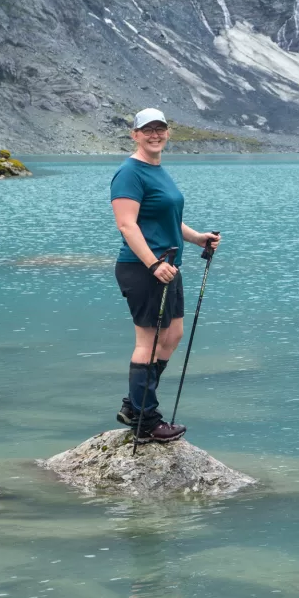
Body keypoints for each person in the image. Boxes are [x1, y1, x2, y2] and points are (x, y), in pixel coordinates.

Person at [110, 107, 220, 443]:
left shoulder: (157, 169)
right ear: (135, 134)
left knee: (172, 336)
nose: (155, 135)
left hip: (168, 268)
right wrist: (153, 264)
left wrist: (197, 237)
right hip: (144, 269)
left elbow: (167, 218)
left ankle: (135, 404)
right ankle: (145, 420)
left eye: (160, 129)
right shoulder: (129, 173)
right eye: (147, 130)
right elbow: (127, 224)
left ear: (168, 133)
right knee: (149, 341)